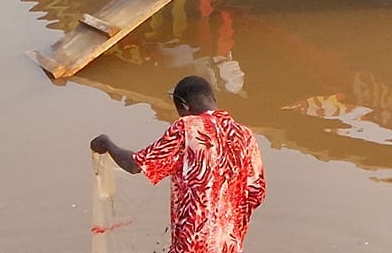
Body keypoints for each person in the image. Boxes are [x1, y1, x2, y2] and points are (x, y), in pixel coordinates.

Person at [92, 76, 266, 253]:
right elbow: (256, 194)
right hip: (229, 243)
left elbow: (135, 165)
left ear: (184, 107)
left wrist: (108, 145)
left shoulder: (187, 128)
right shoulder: (246, 135)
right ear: (214, 99)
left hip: (194, 242)